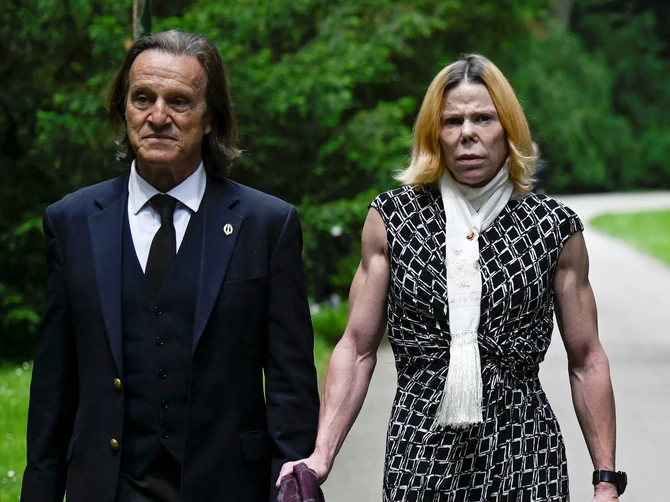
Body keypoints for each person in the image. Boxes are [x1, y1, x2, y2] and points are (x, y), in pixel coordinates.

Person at [280, 54, 625, 501]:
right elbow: (358, 347)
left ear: (508, 128)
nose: (467, 133)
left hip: (525, 453)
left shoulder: (552, 226)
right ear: (434, 134)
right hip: (420, 454)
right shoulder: (392, 219)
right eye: (452, 121)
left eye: (483, 118)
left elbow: (587, 358)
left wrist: (606, 478)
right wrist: (321, 455)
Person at [21, 30, 320, 502]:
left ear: (209, 118)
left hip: (228, 488)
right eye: (142, 98)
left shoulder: (267, 226)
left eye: (179, 102)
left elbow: (291, 390)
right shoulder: (71, 222)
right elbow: (51, 394)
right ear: (124, 108)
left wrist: (292, 489)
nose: (158, 117)